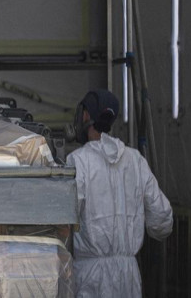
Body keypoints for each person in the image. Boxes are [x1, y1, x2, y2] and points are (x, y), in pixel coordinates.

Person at [67, 89, 172, 298]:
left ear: (87, 115)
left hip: (91, 276)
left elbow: (65, 220)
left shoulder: (77, 161)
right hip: (129, 275)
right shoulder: (135, 160)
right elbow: (162, 218)